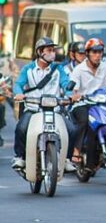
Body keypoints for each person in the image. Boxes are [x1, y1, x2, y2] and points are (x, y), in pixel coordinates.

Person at [12, 38, 71, 172]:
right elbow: (18, 84)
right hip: (33, 110)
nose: (53, 53)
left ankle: (67, 159)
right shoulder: (28, 69)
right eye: (49, 50)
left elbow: (66, 83)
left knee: (71, 130)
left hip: (54, 110)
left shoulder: (58, 69)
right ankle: (19, 157)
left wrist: (70, 94)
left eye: (53, 50)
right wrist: (19, 93)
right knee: (21, 128)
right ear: (40, 52)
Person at [68, 38, 106, 167]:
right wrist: (75, 95)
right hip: (82, 104)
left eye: (99, 52)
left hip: (101, 103)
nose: (97, 55)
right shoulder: (79, 70)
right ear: (87, 53)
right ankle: (76, 150)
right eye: (94, 52)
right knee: (84, 120)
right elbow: (73, 89)